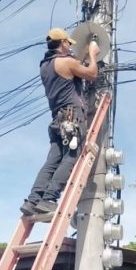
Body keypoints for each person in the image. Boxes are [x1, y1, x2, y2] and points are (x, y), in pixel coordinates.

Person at [20, 28, 100, 216]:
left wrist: (76, 58)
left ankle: (33, 200)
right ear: (63, 43)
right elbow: (91, 74)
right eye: (68, 43)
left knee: (52, 161)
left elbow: (70, 71)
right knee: (72, 156)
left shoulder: (45, 66)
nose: (70, 46)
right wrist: (93, 54)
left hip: (57, 119)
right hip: (72, 117)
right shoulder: (66, 62)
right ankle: (49, 199)